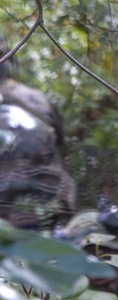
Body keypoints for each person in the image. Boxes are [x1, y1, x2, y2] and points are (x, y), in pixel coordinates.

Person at [0, 72, 77, 231]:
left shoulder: (34, 98)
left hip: (20, 213)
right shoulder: (36, 98)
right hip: (49, 208)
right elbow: (60, 144)